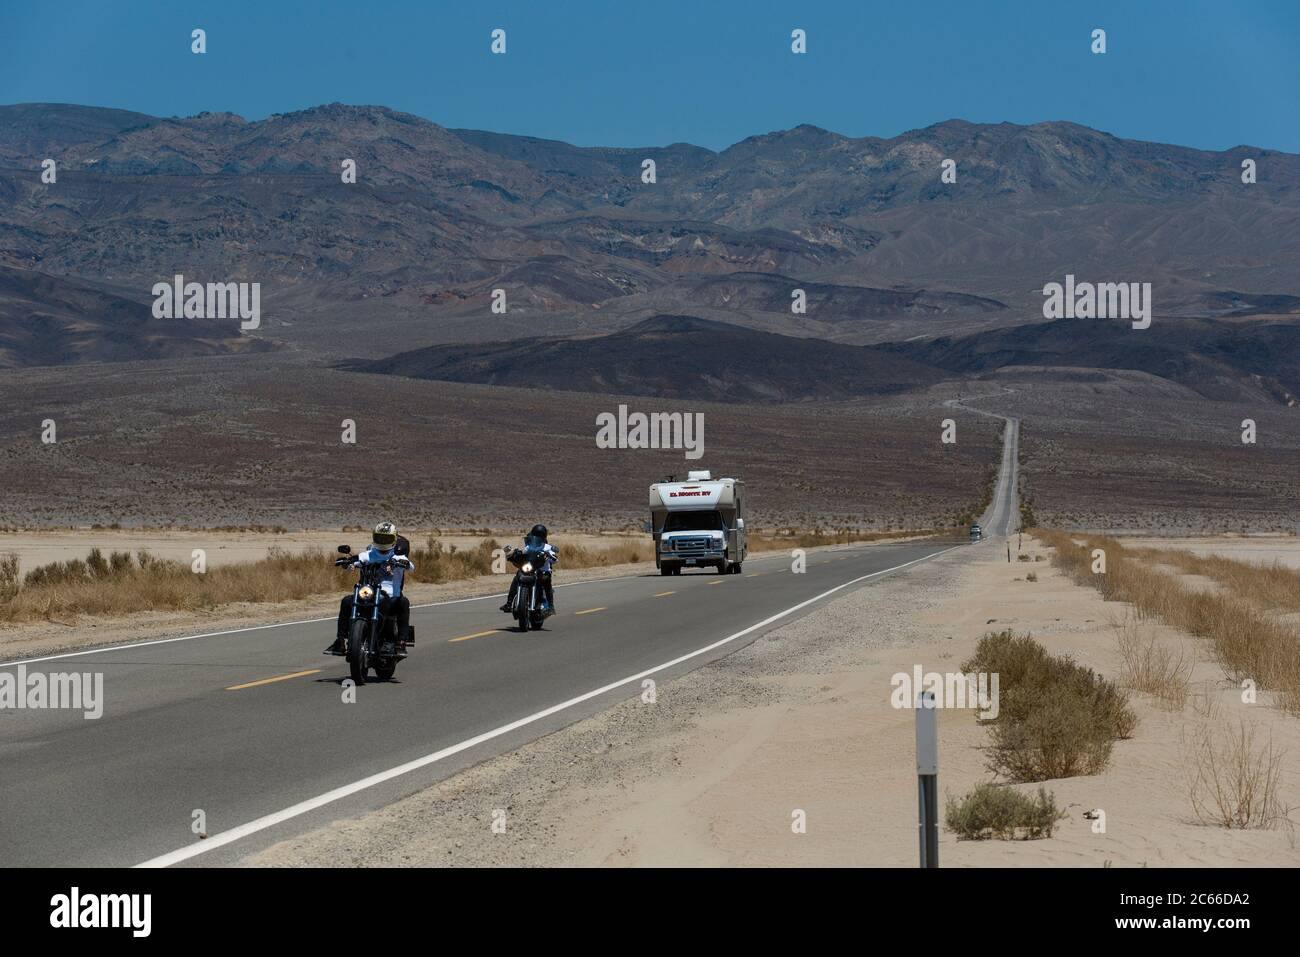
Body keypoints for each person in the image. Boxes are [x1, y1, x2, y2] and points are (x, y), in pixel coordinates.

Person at [327, 521, 414, 655]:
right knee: (346, 601)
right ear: (374, 537)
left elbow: (410, 566)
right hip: (368, 593)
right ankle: (340, 641)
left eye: (387, 538)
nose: (383, 541)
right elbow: (357, 561)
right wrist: (347, 563)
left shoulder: (397, 556)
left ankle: (399, 642)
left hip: (390, 597)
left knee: (403, 602)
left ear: (394, 539)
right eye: (380, 538)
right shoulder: (369, 554)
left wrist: (403, 564)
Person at [500, 523, 558, 616]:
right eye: (535, 535)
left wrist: (551, 556)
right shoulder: (529, 546)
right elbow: (522, 552)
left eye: (539, 536)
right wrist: (515, 554)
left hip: (542, 571)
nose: (537, 538)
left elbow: (554, 559)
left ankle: (551, 607)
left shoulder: (547, 547)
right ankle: (509, 603)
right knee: (517, 578)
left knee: (546, 580)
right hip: (530, 569)